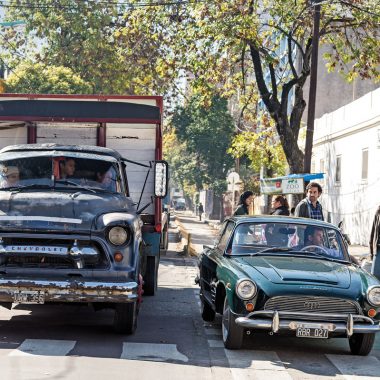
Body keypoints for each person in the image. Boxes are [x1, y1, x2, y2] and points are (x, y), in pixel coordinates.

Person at [369, 206, 380, 278]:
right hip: (378, 250)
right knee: (374, 278)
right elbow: (373, 232)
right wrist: (371, 252)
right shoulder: (378, 211)